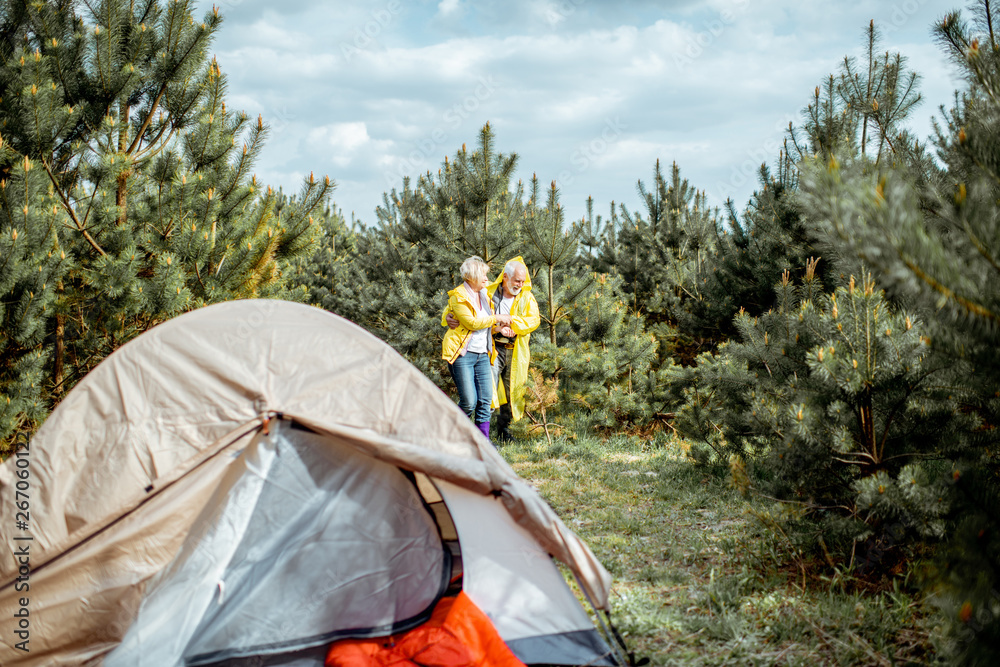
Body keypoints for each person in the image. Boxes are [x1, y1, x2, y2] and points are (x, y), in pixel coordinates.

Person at [446, 257, 539, 445]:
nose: (520, 285)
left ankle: (505, 433)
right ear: (505, 277)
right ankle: (468, 436)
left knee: (512, 391)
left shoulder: (526, 297)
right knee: (486, 395)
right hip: (491, 349)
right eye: (517, 281)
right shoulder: (487, 291)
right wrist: (447, 317)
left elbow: (533, 320)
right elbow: (457, 308)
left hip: (514, 350)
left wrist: (512, 323)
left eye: (523, 281)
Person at [441, 256, 512, 442]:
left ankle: (483, 444)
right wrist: (497, 318)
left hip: (483, 354)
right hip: (463, 356)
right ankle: (451, 436)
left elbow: (485, 325)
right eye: (484, 275)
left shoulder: (484, 296)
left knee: (486, 401)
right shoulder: (458, 296)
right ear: (472, 276)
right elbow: (472, 323)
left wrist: (498, 328)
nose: (487, 279)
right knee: (469, 402)